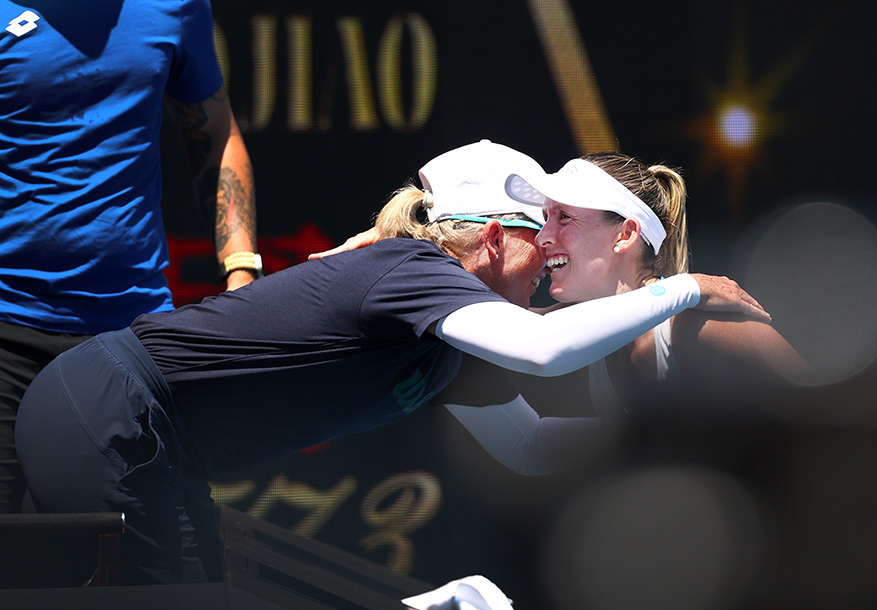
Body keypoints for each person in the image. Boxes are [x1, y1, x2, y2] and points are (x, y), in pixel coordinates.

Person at [15, 140, 766, 584]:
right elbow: (544, 350)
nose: (548, 252)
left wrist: (654, 437)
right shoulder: (411, 269)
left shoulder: (449, 336)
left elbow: (531, 445)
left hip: (153, 441)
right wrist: (687, 286)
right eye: (539, 231)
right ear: (494, 237)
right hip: (108, 405)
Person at [0, 1, 258, 513]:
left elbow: (215, 131)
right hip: (6, 326)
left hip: (128, 338)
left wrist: (243, 273)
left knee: (154, 546)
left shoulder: (175, 6)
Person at [503, 152, 808, 420]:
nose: (542, 236)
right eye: (546, 217)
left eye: (564, 217)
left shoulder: (705, 329)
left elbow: (822, 413)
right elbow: (489, 323)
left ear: (625, 235)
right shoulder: (575, 330)